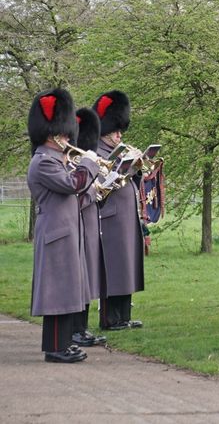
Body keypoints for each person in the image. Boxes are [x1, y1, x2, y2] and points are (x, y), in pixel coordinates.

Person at [28, 89, 99, 362]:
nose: (69, 139)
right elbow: (73, 185)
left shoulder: (57, 160)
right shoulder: (43, 162)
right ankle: (55, 348)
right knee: (57, 294)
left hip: (67, 232)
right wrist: (89, 164)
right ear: (52, 133)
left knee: (69, 291)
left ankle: (65, 343)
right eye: (65, 133)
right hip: (56, 235)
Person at [93, 91, 145, 331]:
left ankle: (123, 316)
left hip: (126, 216)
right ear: (106, 130)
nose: (119, 135)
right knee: (113, 268)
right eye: (116, 131)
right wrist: (129, 167)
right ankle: (109, 318)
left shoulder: (119, 151)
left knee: (126, 267)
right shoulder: (98, 153)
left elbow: (129, 180)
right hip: (111, 216)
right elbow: (107, 180)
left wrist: (138, 167)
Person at [71, 107, 106, 348]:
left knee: (88, 278)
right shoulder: (74, 163)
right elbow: (77, 194)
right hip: (78, 224)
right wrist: (94, 191)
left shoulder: (82, 162)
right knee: (79, 278)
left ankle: (82, 328)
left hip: (91, 224)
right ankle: (75, 330)